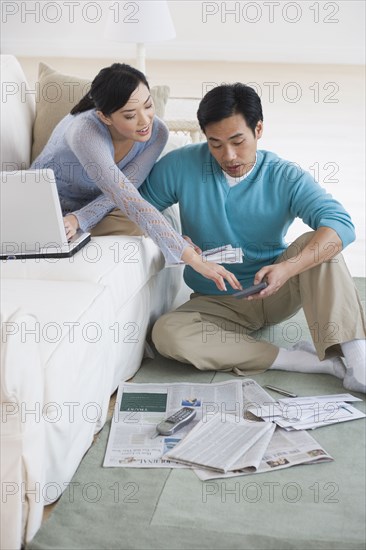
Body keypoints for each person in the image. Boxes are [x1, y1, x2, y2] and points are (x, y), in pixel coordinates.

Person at [139, 83, 366, 393]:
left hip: (274, 289)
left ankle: (358, 363)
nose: (228, 155)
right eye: (215, 143)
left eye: (237, 141)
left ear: (258, 129)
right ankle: (308, 362)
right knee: (166, 333)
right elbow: (138, 210)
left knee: (322, 245)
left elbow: (341, 224)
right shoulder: (181, 166)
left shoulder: (284, 175)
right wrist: (172, 240)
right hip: (216, 301)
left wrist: (286, 269)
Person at [31, 63, 241, 290]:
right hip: (46, 207)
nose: (145, 120)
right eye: (130, 115)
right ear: (105, 117)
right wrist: (192, 258)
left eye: (148, 105)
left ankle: (172, 240)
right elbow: (127, 198)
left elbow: (127, 190)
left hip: (97, 207)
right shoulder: (85, 132)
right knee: (141, 220)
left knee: (140, 217)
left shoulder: (157, 132)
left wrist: (79, 218)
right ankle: (174, 241)